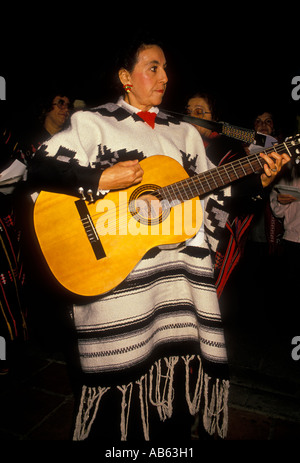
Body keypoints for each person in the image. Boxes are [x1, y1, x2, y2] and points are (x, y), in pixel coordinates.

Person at [24, 38, 289, 441]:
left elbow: (214, 197)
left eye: (166, 68)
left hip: (176, 284)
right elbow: (39, 168)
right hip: (116, 280)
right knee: (118, 417)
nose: (164, 77)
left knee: (175, 397)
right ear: (125, 77)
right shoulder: (92, 123)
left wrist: (260, 182)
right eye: (153, 67)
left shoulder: (185, 132)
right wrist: (99, 177)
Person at [270, 162, 300, 341]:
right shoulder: (290, 171)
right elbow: (277, 210)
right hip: (294, 240)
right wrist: (281, 201)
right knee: (295, 295)